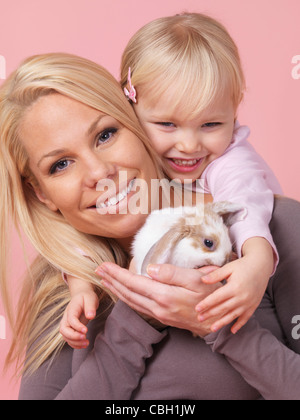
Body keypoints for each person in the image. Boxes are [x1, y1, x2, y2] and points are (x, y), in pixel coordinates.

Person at [1, 53, 300, 400]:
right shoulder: (62, 285)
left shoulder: (270, 229)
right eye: (61, 164)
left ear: (138, 125)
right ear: (41, 192)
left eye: (105, 134)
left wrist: (215, 321)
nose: (99, 173)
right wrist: (135, 320)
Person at [61, 12, 283, 344]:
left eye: (211, 125)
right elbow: (85, 228)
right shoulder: (133, 163)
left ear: (235, 110)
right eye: (167, 124)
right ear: (130, 108)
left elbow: (244, 202)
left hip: (241, 293)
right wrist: (80, 284)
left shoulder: (230, 161)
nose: (189, 146)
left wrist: (257, 260)